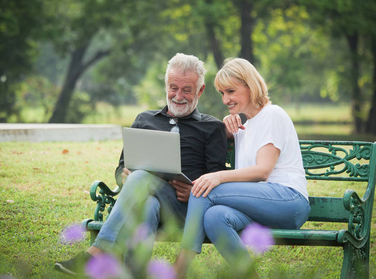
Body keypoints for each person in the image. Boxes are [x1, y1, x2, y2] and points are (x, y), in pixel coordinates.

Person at [54, 53, 228, 276]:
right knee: (147, 202)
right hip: (143, 202)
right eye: (173, 87)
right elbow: (121, 168)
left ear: (200, 90)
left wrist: (196, 189)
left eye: (187, 89)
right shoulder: (145, 120)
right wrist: (125, 178)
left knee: (141, 178)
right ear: (166, 85)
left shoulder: (212, 128)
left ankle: (97, 252)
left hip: (185, 209)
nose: (178, 96)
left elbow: (219, 179)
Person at [173, 58, 311, 278]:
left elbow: (262, 171)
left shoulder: (272, 114)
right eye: (221, 93)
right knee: (214, 217)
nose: (226, 99)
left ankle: (179, 269)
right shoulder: (243, 125)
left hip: (288, 201)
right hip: (258, 206)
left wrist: (217, 177)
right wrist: (226, 130)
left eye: (230, 91)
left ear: (250, 86)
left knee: (205, 187)